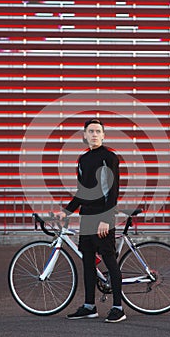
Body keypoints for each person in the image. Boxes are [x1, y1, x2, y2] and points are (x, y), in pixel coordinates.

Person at [56, 118, 126, 323]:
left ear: (103, 136)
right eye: (91, 131)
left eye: (98, 131)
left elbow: (113, 191)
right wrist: (66, 212)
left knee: (110, 261)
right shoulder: (82, 160)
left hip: (103, 218)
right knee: (87, 262)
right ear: (84, 136)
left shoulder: (109, 157)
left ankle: (118, 308)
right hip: (86, 217)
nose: (94, 134)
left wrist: (107, 219)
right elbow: (82, 193)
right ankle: (89, 306)